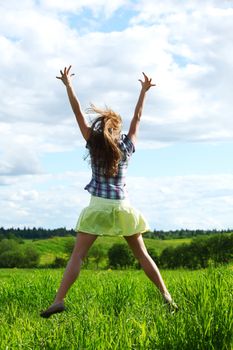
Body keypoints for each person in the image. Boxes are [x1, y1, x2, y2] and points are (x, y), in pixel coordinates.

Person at [40, 66, 178, 318]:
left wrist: (68, 86)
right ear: (117, 129)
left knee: (78, 256)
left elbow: (77, 113)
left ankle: (59, 299)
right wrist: (144, 91)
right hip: (122, 206)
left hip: (98, 206)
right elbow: (138, 118)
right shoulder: (126, 145)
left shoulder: (93, 143)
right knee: (142, 254)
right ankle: (166, 295)